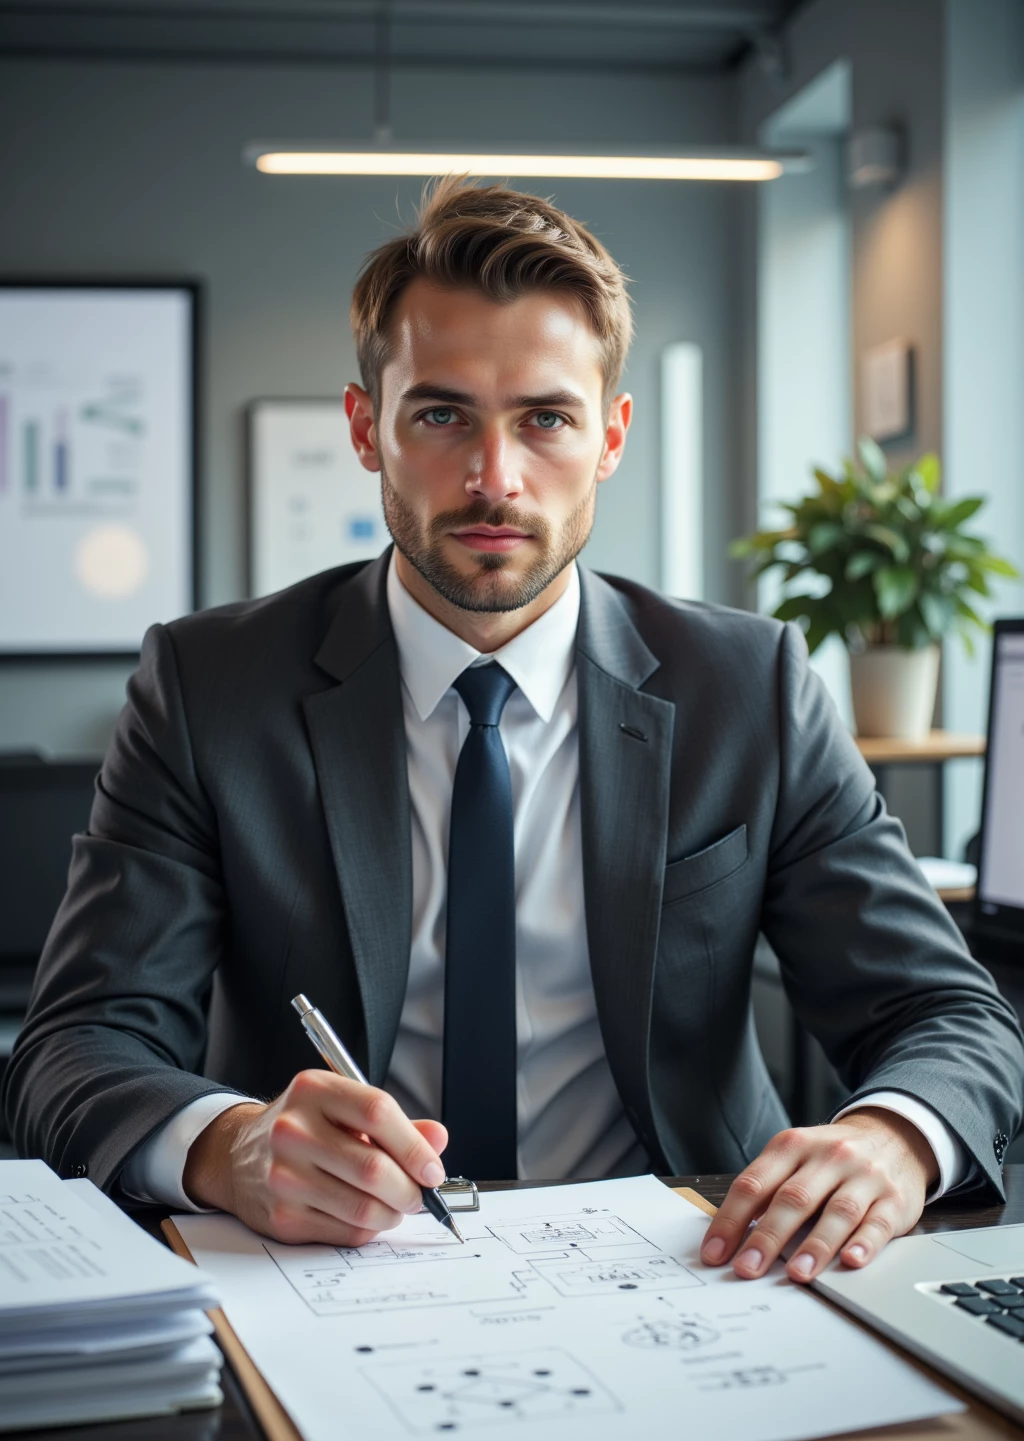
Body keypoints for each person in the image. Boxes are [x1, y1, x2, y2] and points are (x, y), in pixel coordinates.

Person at [6, 180, 1022, 1289]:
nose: (495, 478)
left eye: (545, 417)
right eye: (441, 415)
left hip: (700, 1268)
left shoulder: (750, 686)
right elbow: (73, 1046)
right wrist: (230, 1147)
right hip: (328, 1277)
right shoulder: (208, 688)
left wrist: (894, 1138)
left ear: (611, 438)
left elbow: (944, 1012)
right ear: (365, 430)